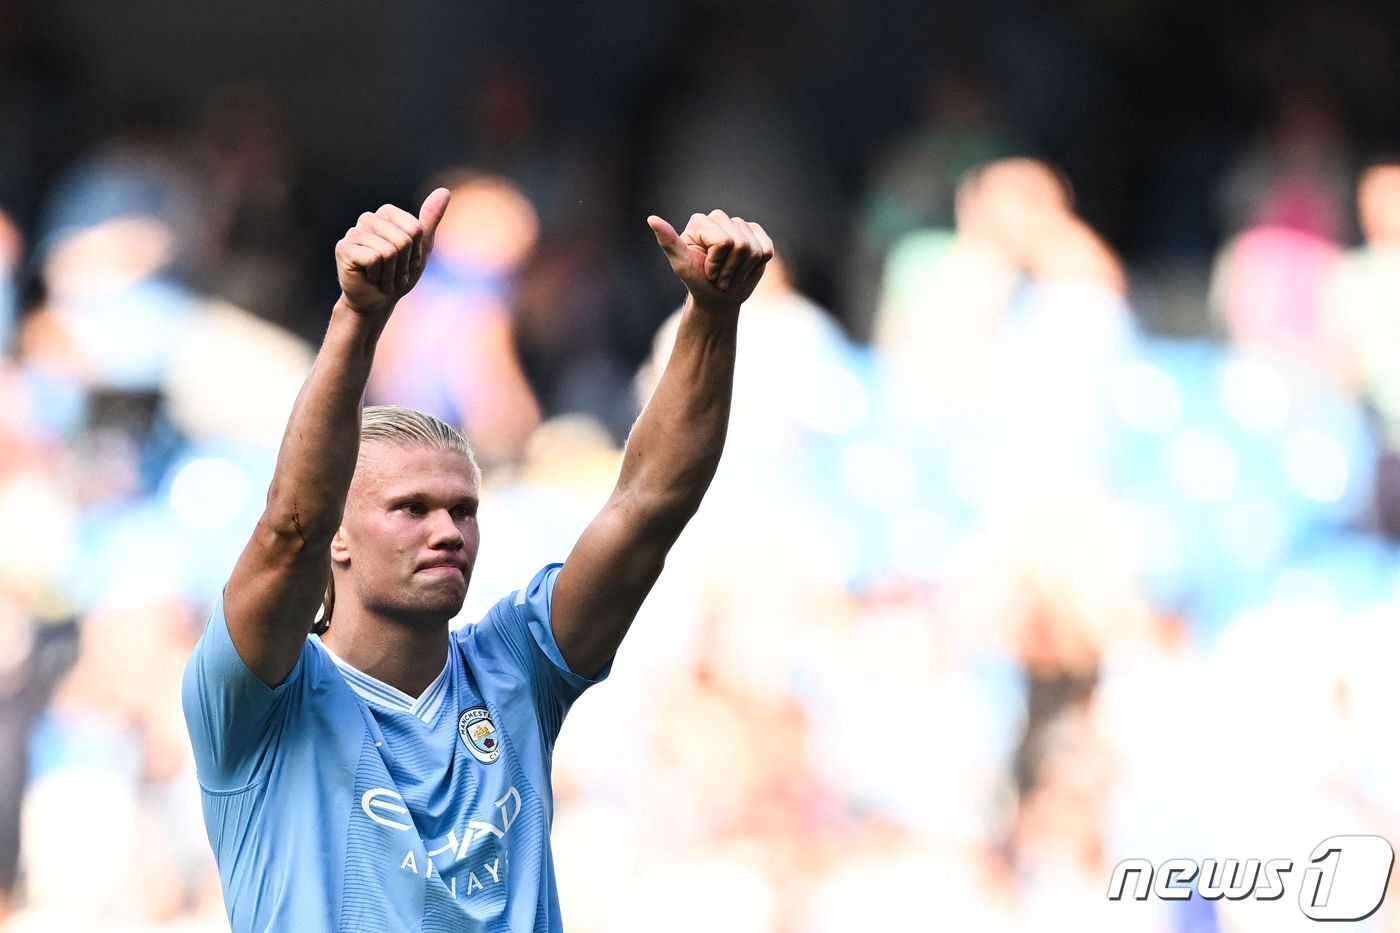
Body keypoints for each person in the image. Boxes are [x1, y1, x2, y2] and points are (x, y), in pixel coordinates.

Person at [181, 188, 773, 931]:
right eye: (412, 508)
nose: (448, 530)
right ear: (340, 534)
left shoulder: (517, 669)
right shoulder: (257, 699)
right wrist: (358, 317)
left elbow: (647, 508)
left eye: (463, 509)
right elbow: (288, 530)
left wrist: (712, 318)